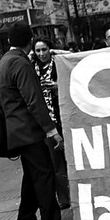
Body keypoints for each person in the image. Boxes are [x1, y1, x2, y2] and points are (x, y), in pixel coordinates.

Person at [0, 22, 75, 220]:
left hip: (16, 131)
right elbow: (34, 100)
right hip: (29, 131)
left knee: (32, 175)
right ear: (29, 41)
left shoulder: (3, 62)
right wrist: (51, 130)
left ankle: (26, 216)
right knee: (44, 175)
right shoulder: (20, 63)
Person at [30, 37, 70, 209]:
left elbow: (74, 58)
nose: (41, 54)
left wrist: (58, 85)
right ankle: (64, 199)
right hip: (46, 123)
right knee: (56, 164)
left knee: (70, 160)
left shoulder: (59, 63)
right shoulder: (32, 68)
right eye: (37, 51)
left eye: (45, 49)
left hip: (63, 117)